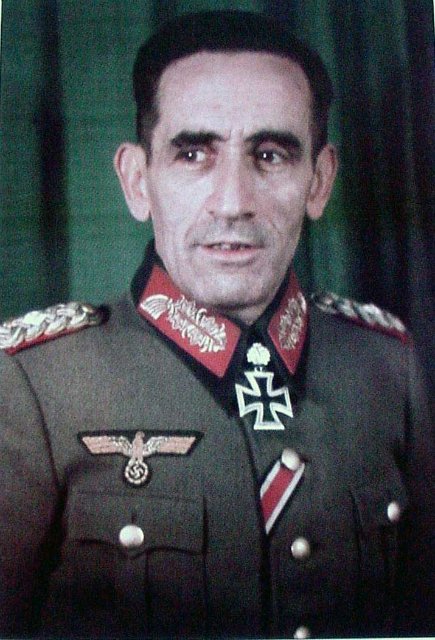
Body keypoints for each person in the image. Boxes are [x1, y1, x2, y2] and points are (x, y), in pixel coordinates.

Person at [0, 10, 433, 639]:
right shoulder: (34, 387)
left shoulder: (386, 368)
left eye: (270, 155)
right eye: (194, 154)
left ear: (319, 182)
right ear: (137, 181)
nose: (233, 202)